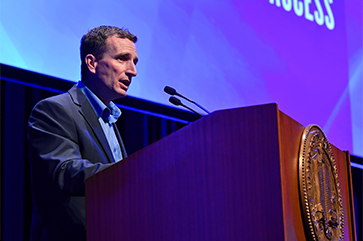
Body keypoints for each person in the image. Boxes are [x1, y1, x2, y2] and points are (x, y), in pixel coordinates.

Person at [27, 25, 138, 241]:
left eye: (134, 62)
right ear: (91, 63)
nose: (133, 71)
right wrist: (131, 172)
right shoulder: (55, 109)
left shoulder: (109, 119)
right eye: (123, 58)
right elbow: (63, 171)